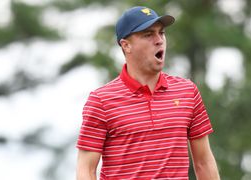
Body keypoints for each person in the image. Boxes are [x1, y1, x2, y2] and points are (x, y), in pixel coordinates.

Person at [76, 6, 220, 180]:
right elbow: (86, 170)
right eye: (148, 34)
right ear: (126, 45)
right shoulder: (101, 101)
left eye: (162, 33)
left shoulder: (187, 92)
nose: (159, 40)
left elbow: (204, 162)